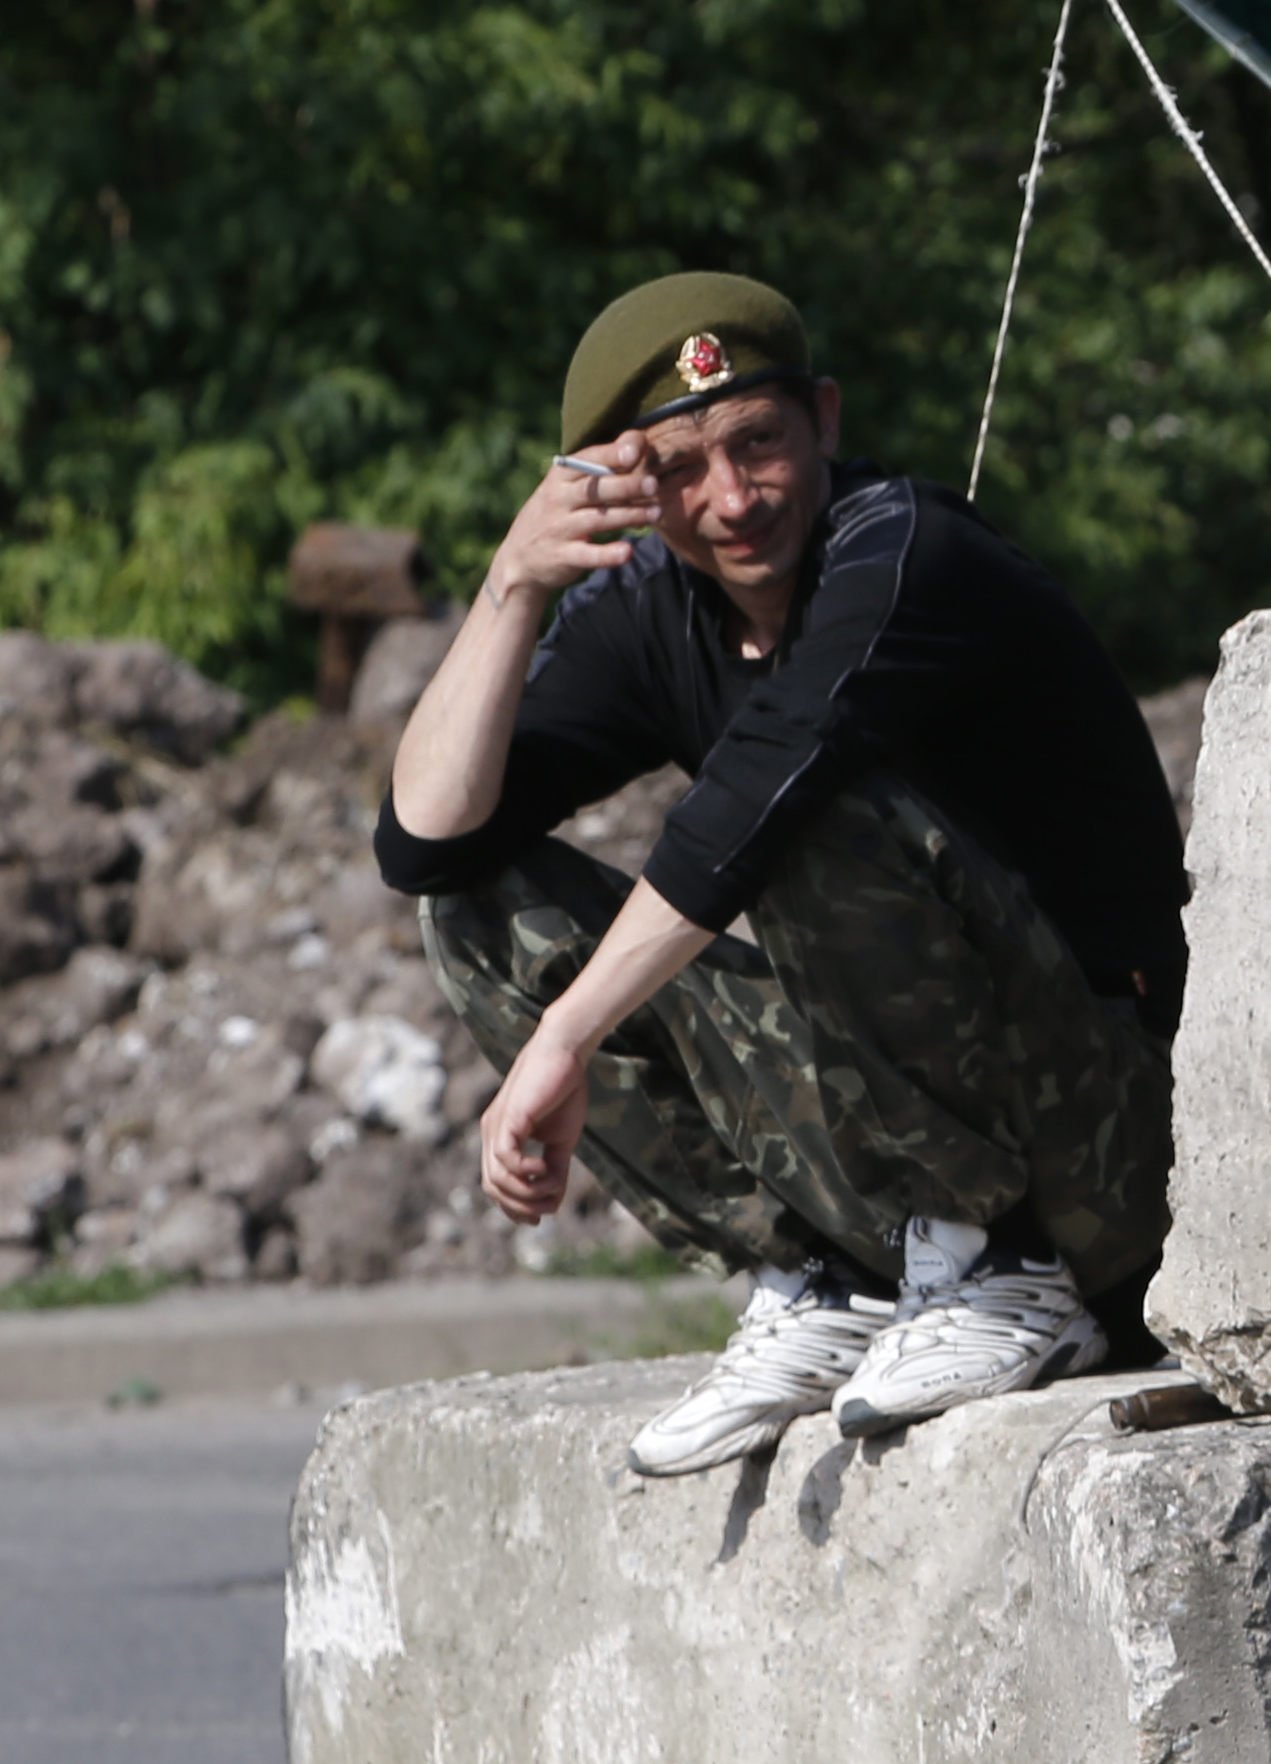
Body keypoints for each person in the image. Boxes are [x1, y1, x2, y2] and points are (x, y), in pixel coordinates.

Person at [376, 273, 1182, 1474]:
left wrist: (565, 1040)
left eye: (760, 444)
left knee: (801, 803)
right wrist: (514, 583)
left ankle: (1005, 1269)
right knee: (479, 908)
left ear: (827, 423)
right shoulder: (652, 610)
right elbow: (427, 844)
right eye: (682, 467)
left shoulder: (906, 552)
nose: (734, 497)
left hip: (1112, 1140)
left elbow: (756, 801)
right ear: (623, 485)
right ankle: (831, 1280)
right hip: (896, 1173)